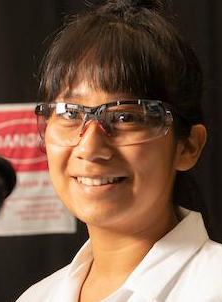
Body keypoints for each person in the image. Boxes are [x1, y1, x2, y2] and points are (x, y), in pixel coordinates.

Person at [16, 0, 222, 301]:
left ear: (187, 146)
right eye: (71, 114)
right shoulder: (36, 297)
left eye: (126, 117)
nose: (90, 147)